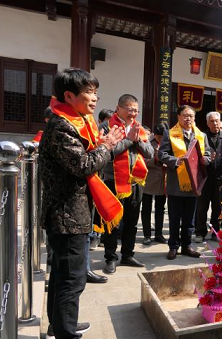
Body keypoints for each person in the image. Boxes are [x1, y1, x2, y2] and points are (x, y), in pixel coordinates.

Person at [40, 68, 123, 338]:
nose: (95, 98)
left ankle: (61, 324)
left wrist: (105, 144)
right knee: (72, 278)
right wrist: (107, 145)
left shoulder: (76, 121)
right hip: (66, 214)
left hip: (72, 213)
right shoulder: (62, 125)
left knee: (64, 275)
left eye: (95, 92)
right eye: (89, 92)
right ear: (69, 95)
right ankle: (65, 331)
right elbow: (83, 165)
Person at [100, 94, 154, 274]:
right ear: (119, 108)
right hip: (113, 180)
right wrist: (129, 140)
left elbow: (150, 153)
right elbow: (109, 151)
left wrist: (137, 139)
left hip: (136, 181)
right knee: (113, 221)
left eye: (136, 110)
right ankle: (110, 257)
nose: (133, 114)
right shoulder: (107, 126)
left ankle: (128, 254)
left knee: (132, 221)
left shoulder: (139, 128)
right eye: (130, 110)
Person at [159, 105, 211, 259]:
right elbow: (162, 154)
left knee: (189, 219)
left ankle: (186, 246)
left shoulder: (201, 135)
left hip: (194, 183)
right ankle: (173, 246)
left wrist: (206, 159)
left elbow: (207, 153)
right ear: (179, 117)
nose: (189, 119)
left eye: (191, 116)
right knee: (175, 217)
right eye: (185, 116)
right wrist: (176, 160)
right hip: (177, 183)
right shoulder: (170, 134)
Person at [195, 112, 222, 243]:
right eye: (212, 121)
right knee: (202, 207)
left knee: (218, 207)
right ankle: (200, 232)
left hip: (220, 178)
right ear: (207, 123)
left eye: (217, 121)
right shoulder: (201, 136)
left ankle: (215, 231)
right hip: (205, 177)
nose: (215, 123)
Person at [141, 123, 168, 246]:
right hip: (149, 180)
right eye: (160, 137)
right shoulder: (146, 140)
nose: (162, 140)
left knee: (160, 209)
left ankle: (158, 234)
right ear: (155, 135)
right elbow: (142, 160)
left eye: (164, 137)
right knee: (146, 208)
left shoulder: (169, 141)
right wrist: (155, 160)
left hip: (163, 180)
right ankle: (147, 235)